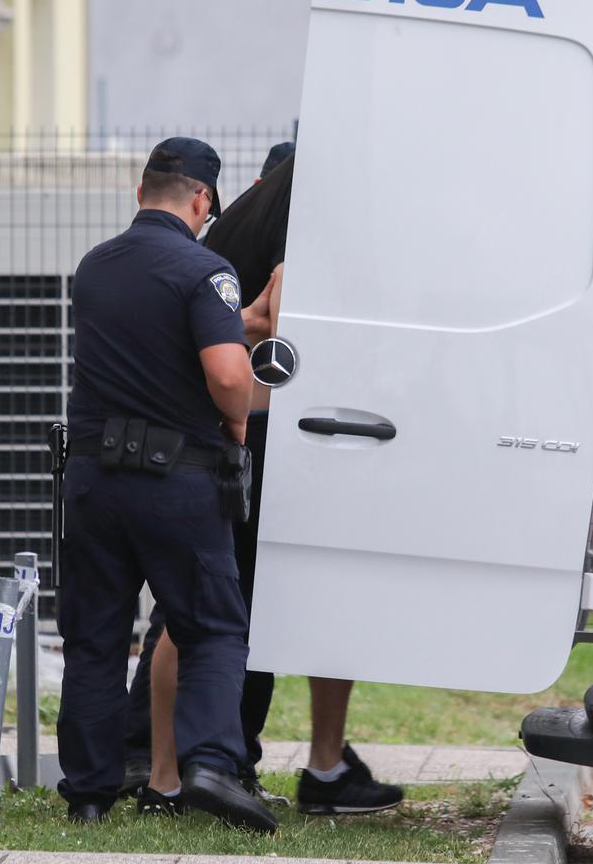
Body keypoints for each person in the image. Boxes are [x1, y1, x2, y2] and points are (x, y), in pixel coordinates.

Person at [130, 143, 403, 816]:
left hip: (245, 430)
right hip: (260, 430)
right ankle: (208, 763)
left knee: (212, 605)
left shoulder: (254, 216)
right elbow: (281, 342)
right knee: (224, 610)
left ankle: (179, 764)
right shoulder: (304, 220)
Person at [57, 136, 277, 833]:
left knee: (94, 637)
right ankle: (209, 763)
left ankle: (88, 792)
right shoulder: (205, 269)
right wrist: (238, 429)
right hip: (175, 481)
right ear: (203, 199)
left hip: (92, 478)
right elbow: (228, 375)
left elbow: (148, 340)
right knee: (211, 627)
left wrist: (234, 322)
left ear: (141, 188)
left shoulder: (95, 267)